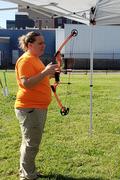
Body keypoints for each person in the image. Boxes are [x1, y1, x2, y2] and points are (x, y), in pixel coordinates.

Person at [15, 31, 58, 180]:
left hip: (36, 107)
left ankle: (27, 171)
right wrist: (46, 71)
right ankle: (28, 176)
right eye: (40, 43)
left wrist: (50, 72)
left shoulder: (35, 59)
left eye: (44, 42)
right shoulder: (25, 60)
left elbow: (39, 78)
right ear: (29, 45)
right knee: (31, 144)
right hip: (30, 108)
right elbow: (26, 83)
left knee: (29, 142)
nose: (43, 45)